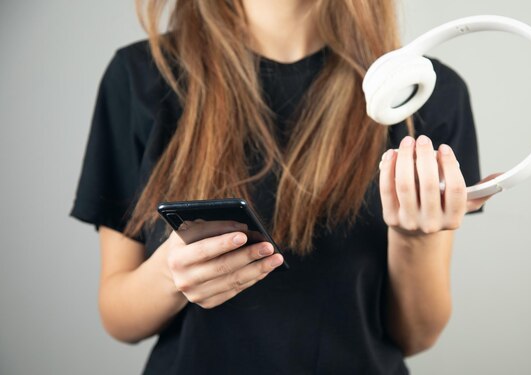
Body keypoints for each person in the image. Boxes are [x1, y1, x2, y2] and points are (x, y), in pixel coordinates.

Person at [71, 0, 494, 373]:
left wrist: (414, 239)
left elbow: (416, 336)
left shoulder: (422, 94)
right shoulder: (140, 77)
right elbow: (118, 317)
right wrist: (168, 276)